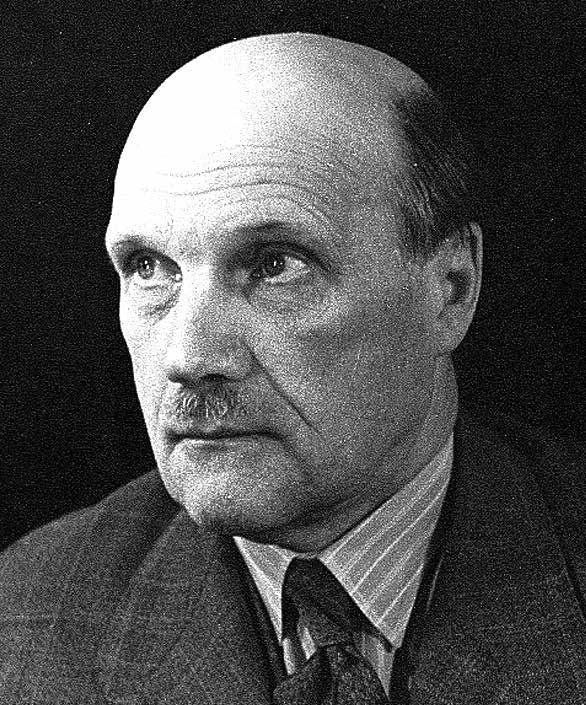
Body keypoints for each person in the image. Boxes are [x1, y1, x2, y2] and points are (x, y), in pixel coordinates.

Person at [0, 32, 584, 704]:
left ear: (450, 289)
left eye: (275, 265)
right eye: (150, 268)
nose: (190, 358)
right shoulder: (25, 624)